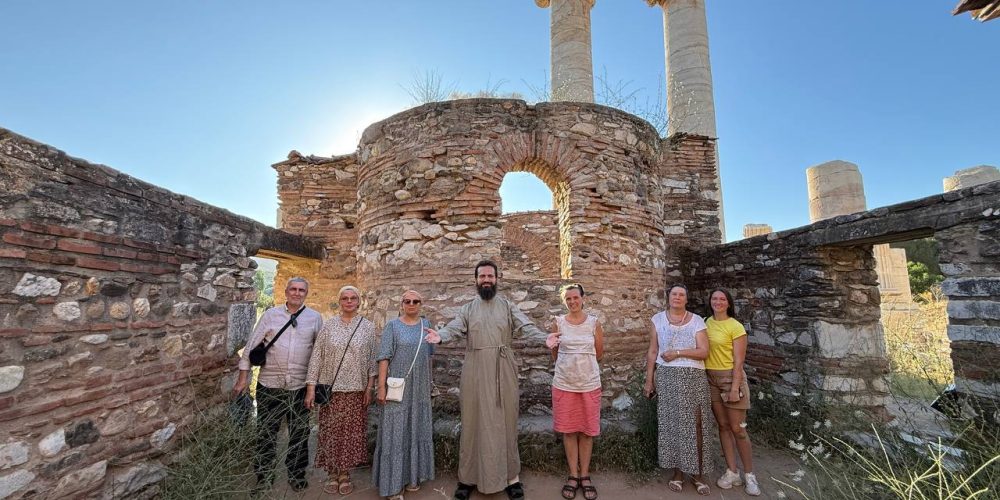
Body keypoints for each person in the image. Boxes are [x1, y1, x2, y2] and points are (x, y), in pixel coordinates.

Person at [425, 260, 547, 500]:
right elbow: (454, 327)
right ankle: (467, 478)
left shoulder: (508, 306)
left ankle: (511, 478)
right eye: (482, 276)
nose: (487, 280)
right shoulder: (468, 308)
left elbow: (526, 326)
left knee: (506, 422)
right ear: (476, 280)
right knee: (472, 422)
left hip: (503, 368)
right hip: (475, 370)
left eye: (490, 276)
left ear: (497, 279)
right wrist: (440, 336)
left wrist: (545, 338)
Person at [232, 277, 324, 493]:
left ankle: (296, 474)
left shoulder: (314, 318)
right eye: (293, 289)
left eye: (301, 290)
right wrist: (243, 379)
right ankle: (264, 476)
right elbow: (250, 348)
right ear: (286, 291)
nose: (297, 293)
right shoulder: (271, 315)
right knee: (265, 433)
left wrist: (313, 387)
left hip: (300, 387)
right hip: (269, 385)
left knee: (300, 434)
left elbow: (319, 353)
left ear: (306, 293)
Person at [303, 285, 377, 496]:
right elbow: (316, 357)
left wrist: (369, 387)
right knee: (331, 432)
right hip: (331, 390)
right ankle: (332, 472)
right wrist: (310, 388)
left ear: (359, 301)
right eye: (345, 298)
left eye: (353, 298)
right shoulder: (328, 326)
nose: (349, 301)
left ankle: (344, 473)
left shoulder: (368, 327)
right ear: (339, 301)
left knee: (350, 433)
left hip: (356, 389)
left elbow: (372, 359)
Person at [643, 284, 714, 496]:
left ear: (686, 299)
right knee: (673, 424)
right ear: (669, 297)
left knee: (696, 424)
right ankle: (678, 473)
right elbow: (653, 351)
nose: (677, 297)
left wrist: (677, 353)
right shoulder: (657, 319)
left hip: (693, 377)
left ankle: (698, 474)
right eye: (674, 294)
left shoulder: (697, 320)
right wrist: (649, 381)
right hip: (667, 376)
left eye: (681, 294)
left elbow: (704, 351)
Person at [373, 290, 440, 500]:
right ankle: (393, 485)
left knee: (416, 427)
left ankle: (412, 476)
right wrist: (381, 387)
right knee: (395, 432)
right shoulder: (392, 326)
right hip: (397, 387)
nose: (411, 304)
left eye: (415, 301)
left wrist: (430, 384)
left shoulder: (426, 325)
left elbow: (429, 357)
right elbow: (384, 357)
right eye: (407, 301)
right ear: (401, 304)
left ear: (421, 303)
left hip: (419, 387)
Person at [546, 284, 604, 500]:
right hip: (564, 384)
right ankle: (573, 475)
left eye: (575, 297)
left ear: (583, 298)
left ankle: (585, 475)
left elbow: (599, 353)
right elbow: (555, 353)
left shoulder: (594, 323)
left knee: (587, 432)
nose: (572, 302)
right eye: (568, 299)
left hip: (589, 384)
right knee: (569, 431)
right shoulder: (558, 322)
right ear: (565, 301)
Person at [706, 288, 761, 496]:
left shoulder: (735, 327)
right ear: (710, 301)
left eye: (722, 299)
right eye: (714, 298)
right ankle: (732, 472)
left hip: (731, 378)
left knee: (738, 429)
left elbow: (739, 362)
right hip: (710, 379)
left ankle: (750, 475)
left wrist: (735, 387)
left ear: (728, 303)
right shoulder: (705, 322)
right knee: (723, 426)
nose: (718, 302)